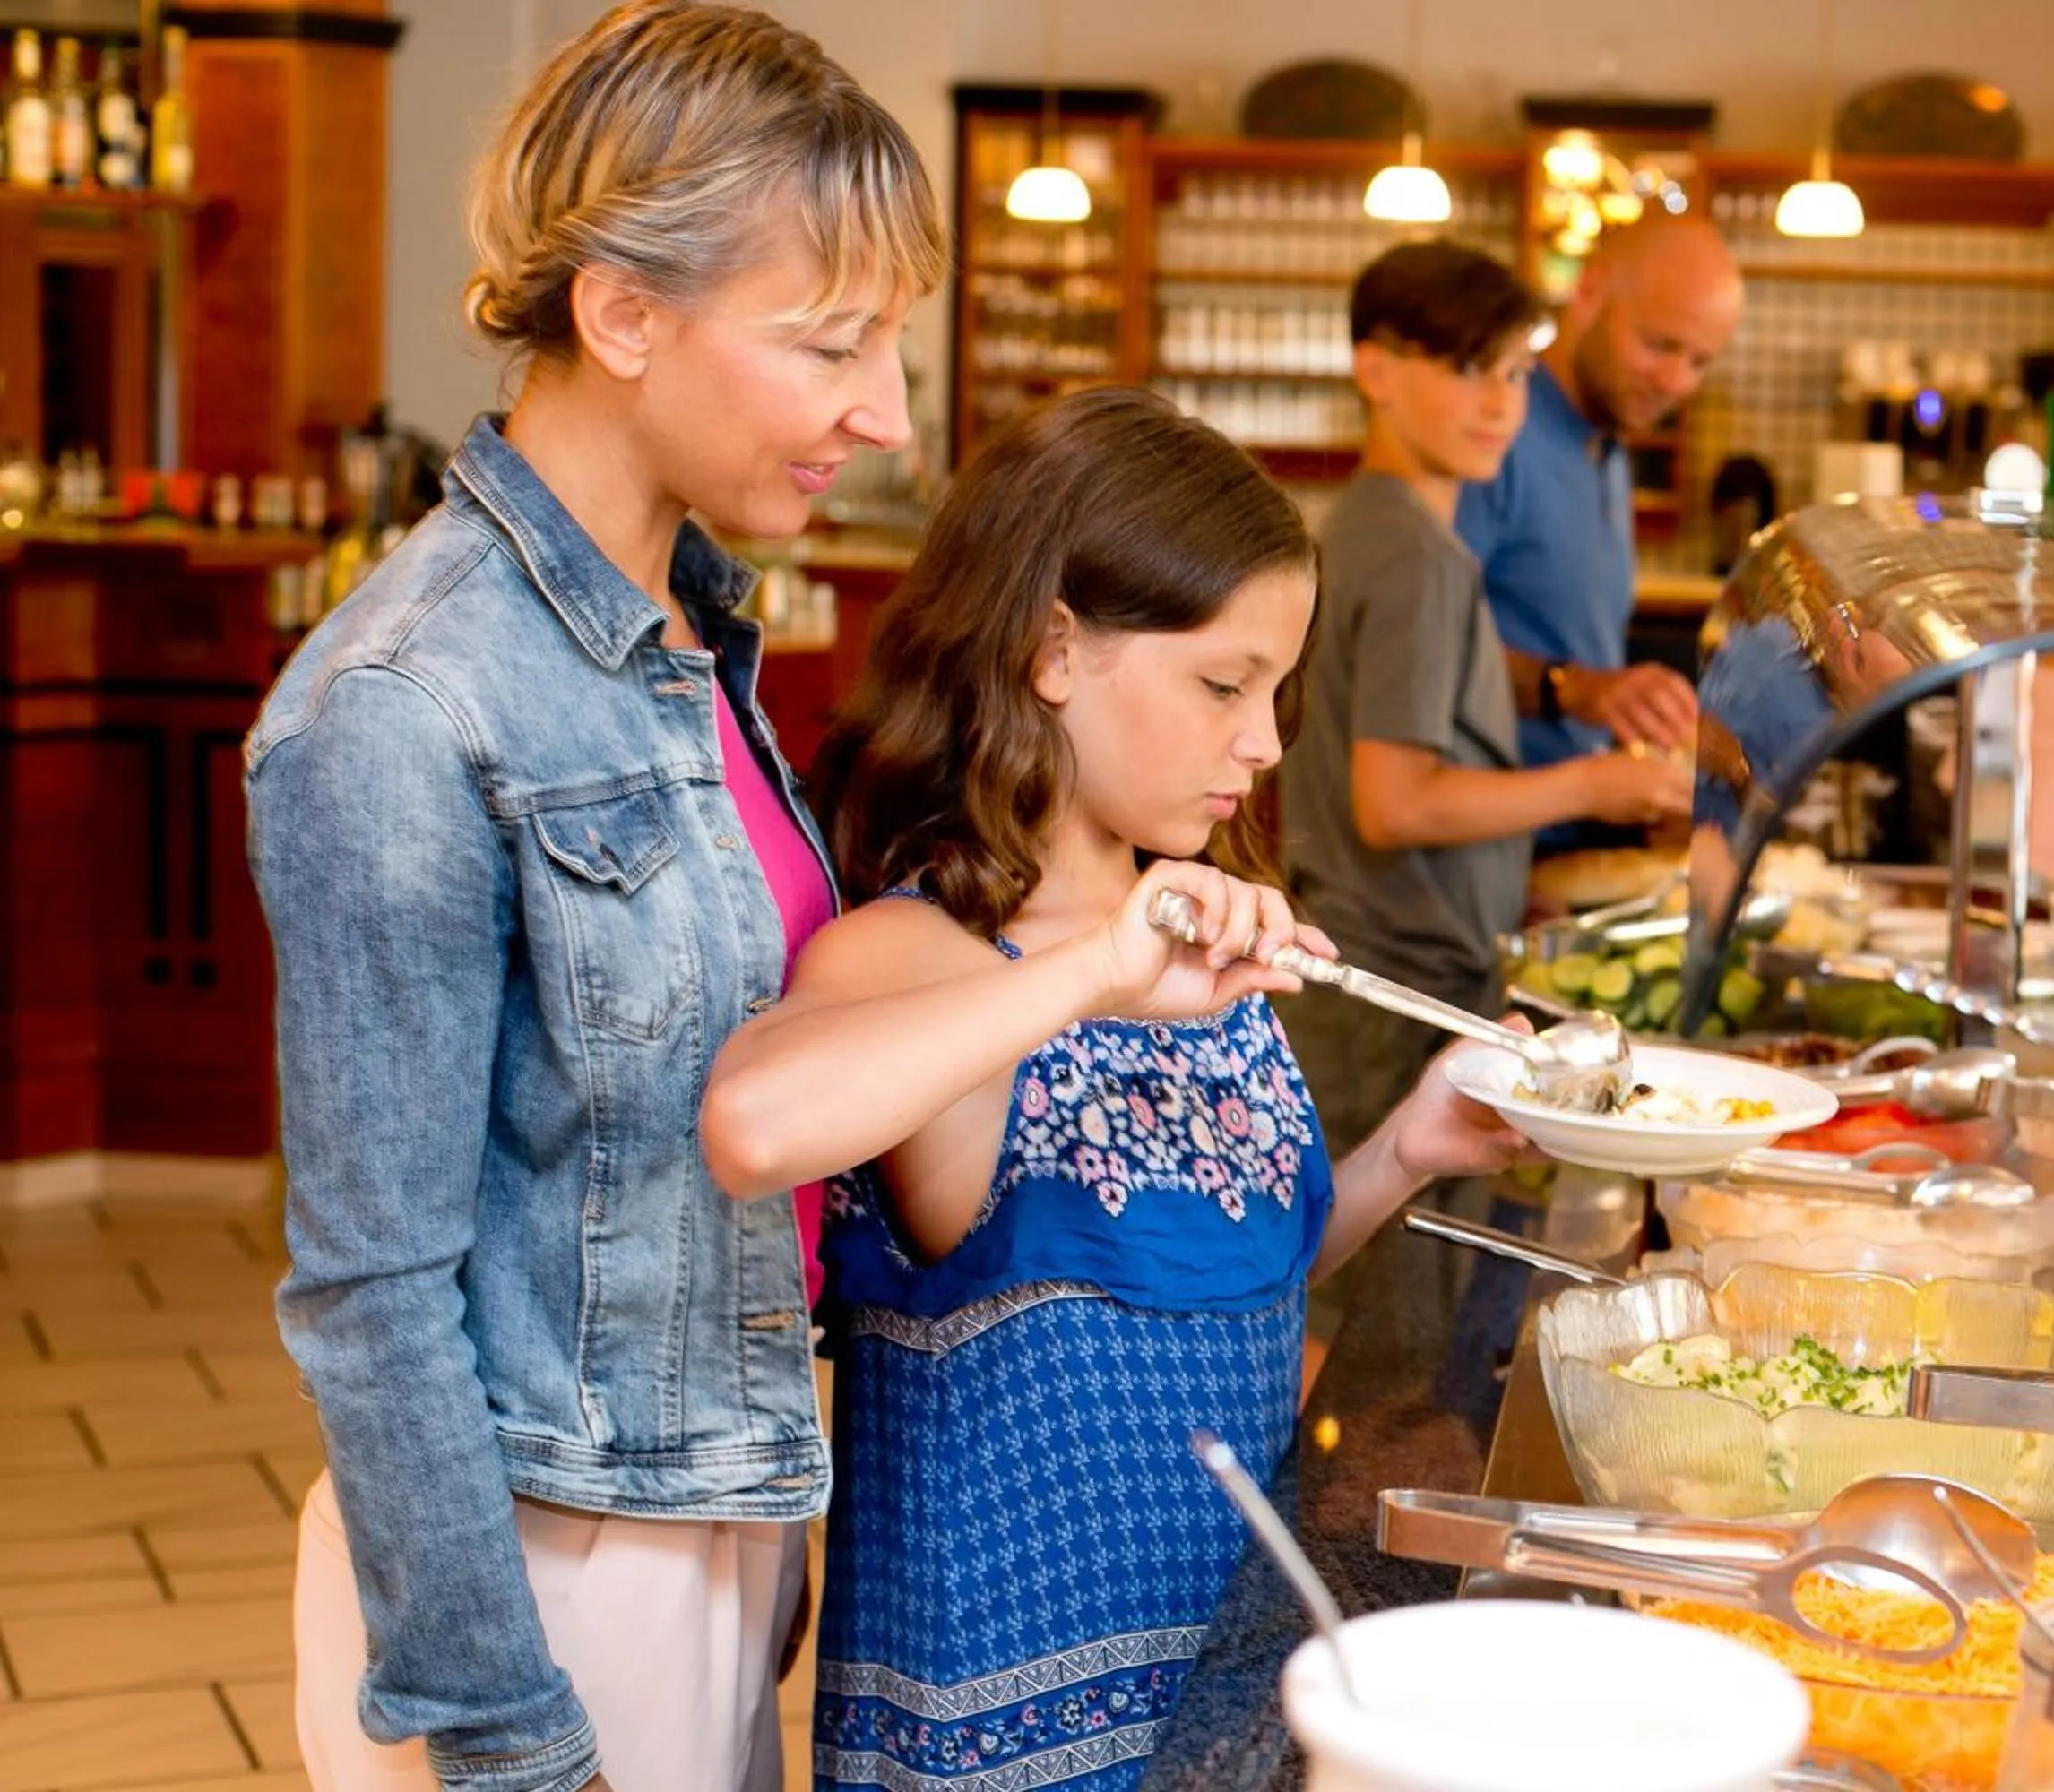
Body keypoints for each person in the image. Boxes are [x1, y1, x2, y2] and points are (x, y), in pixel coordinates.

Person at [242, 6, 945, 1788]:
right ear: (624, 315)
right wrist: (509, 1738)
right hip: (539, 1566)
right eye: (833, 344)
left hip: (707, 1506)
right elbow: (371, 1299)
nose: (885, 412)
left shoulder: (690, 627)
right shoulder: (402, 701)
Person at [694, 386, 1524, 1789]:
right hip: (1005, 1740)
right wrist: (1093, 970)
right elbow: (753, 1122)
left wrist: (1406, 1150)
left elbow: (1227, 1286)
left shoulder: (1192, 936)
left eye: (1276, 693)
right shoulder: (922, 951)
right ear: (1053, 649)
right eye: (1223, 685)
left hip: (1224, 1692)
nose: (1266, 743)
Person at [1281, 239, 1691, 1158]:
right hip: (1391, 998)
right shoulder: (1415, 555)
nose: (1503, 404)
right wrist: (1594, 785)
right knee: (1379, 1247)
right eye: (1469, 370)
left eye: (1515, 372)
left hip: (1377, 975)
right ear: (1375, 370)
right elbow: (1395, 804)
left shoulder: (1380, 524)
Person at [1456, 212, 1745, 814]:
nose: (1675, 382)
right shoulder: (1493, 436)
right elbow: (1417, 654)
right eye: (1659, 345)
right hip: (1490, 835)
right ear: (1588, 292)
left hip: (1578, 828)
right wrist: (1574, 689)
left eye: (1700, 362)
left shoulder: (1608, 442)